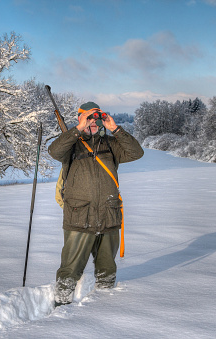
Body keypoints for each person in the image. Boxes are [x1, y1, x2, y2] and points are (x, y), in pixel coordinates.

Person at [48, 101, 144, 307]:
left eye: (96, 118)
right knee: (70, 267)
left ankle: (104, 307)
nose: (93, 122)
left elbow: (137, 153)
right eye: (88, 118)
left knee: (107, 267)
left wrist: (115, 128)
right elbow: (54, 151)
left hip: (108, 215)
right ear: (80, 118)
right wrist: (78, 129)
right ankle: (61, 305)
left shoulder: (111, 143)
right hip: (79, 216)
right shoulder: (71, 143)